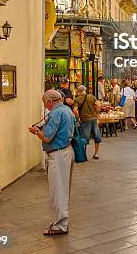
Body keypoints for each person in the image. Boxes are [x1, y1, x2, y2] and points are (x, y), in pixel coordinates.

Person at [28, 89, 75, 235]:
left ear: (50, 101)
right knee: (63, 189)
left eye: (45, 103)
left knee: (58, 190)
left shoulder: (55, 113)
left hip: (59, 154)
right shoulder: (67, 110)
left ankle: (61, 224)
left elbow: (47, 137)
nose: (46, 106)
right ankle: (61, 222)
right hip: (66, 151)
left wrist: (36, 131)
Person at [74, 84, 102, 159]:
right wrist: (97, 112)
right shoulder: (91, 96)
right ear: (85, 90)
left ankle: (84, 155)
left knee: (84, 138)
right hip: (94, 119)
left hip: (85, 120)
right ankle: (96, 154)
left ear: (78, 91)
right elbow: (98, 105)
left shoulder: (77, 99)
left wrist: (78, 118)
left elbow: (75, 110)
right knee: (97, 137)